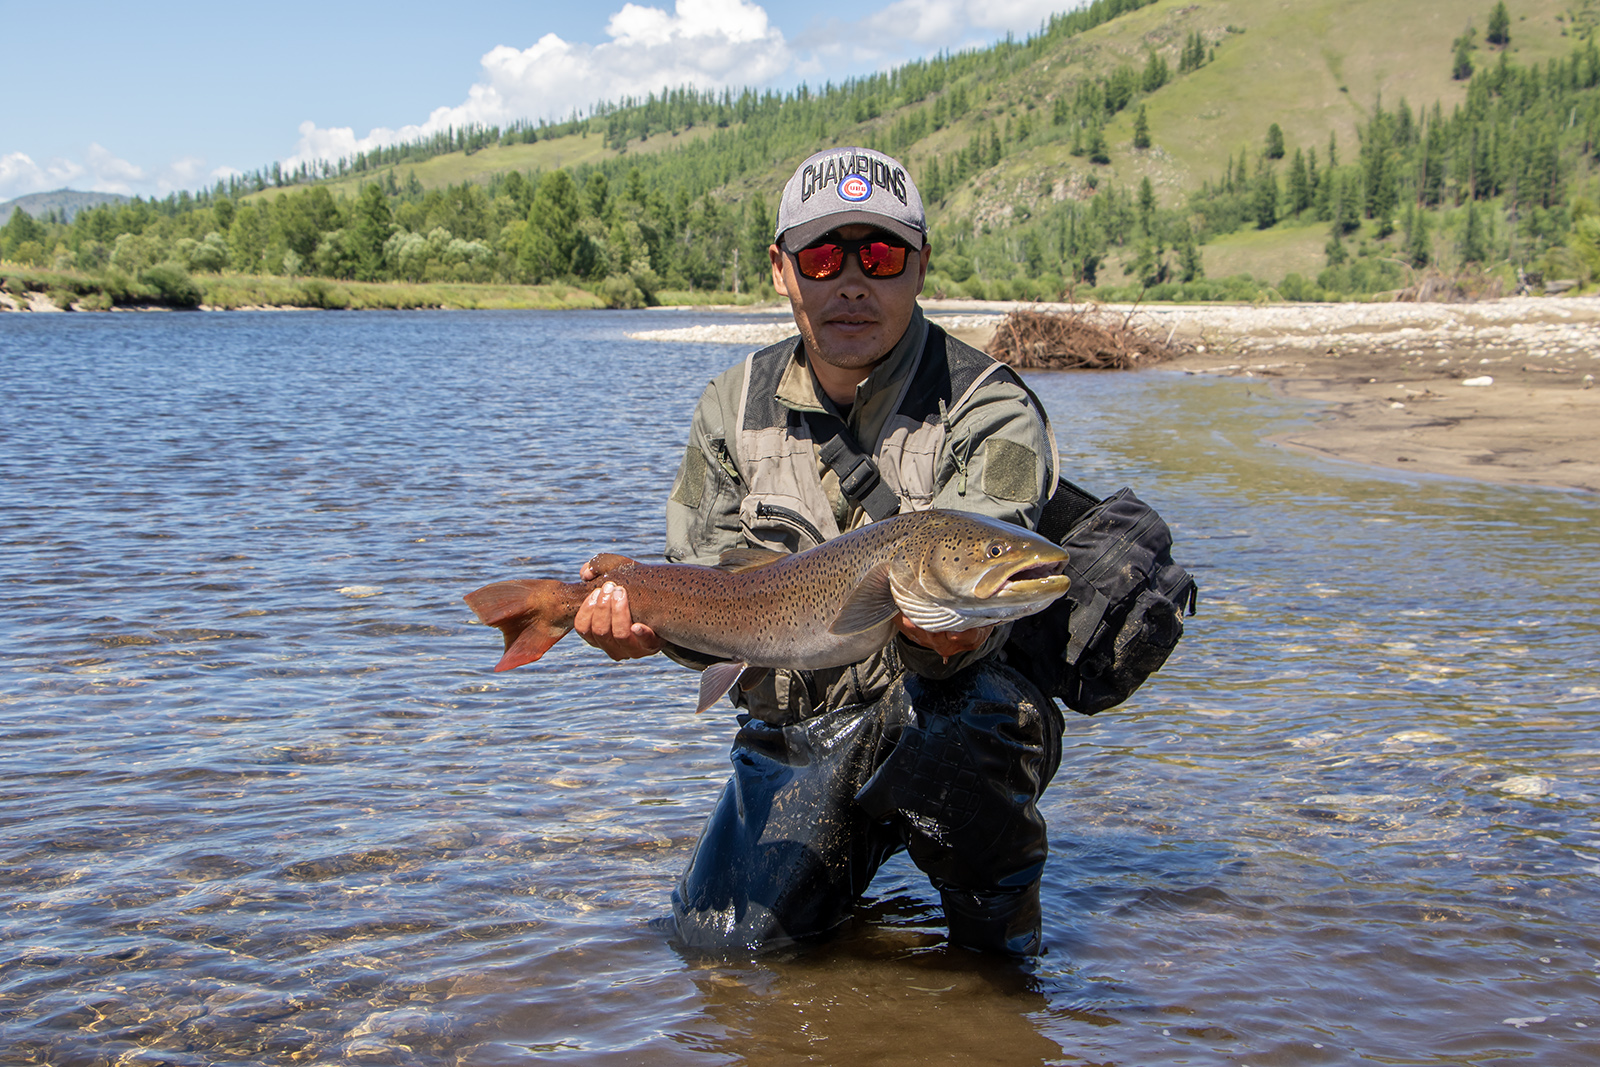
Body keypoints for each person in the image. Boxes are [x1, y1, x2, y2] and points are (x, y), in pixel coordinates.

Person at [575, 146, 1062, 956]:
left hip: (940, 715)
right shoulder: (730, 407)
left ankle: (1000, 968)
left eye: (881, 256)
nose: (852, 282)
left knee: (975, 722)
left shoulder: (990, 407)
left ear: (921, 265)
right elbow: (709, 604)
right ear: (781, 268)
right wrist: (646, 629)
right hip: (792, 736)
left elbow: (986, 584)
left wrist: (946, 633)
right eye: (824, 256)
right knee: (724, 951)